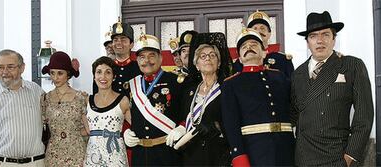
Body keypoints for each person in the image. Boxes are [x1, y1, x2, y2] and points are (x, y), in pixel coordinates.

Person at [291, 11, 374, 166]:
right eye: (313, 36)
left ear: (334, 39)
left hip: (336, 157)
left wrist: (350, 156)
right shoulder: (298, 74)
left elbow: (365, 115)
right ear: (307, 42)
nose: (319, 41)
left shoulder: (352, 65)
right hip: (303, 158)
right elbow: (293, 115)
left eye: (325, 35)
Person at [221, 29, 295, 166]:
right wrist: (239, 156)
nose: (248, 48)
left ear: (264, 51)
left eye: (254, 44)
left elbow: (293, 107)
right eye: (244, 47)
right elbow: (231, 124)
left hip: (286, 148)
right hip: (254, 151)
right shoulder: (231, 84)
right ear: (240, 57)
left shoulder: (279, 76)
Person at [0, 49, 45, 167]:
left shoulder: (36, 91)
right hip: (3, 163)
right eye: (0, 67)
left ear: (22, 68)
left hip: (36, 163)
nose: (5, 72)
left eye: (10, 67)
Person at [123, 33, 185, 166]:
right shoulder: (131, 85)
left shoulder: (176, 81)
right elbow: (125, 114)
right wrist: (125, 130)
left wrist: (182, 127)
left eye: (151, 55)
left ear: (161, 58)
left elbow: (188, 112)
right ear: (138, 60)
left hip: (167, 154)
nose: (147, 61)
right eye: (142, 57)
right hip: (140, 155)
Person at [180, 32, 231, 166]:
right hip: (192, 154)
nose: (207, 58)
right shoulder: (189, 91)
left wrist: (215, 126)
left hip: (218, 153)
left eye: (212, 55)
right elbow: (182, 117)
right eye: (203, 56)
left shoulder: (227, 88)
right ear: (197, 65)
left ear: (219, 63)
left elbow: (234, 120)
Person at [40, 51, 87, 166]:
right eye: (52, 73)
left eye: (60, 73)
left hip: (77, 153)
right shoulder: (45, 98)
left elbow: (89, 128)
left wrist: (74, 134)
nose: (55, 77)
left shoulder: (81, 97)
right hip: (53, 155)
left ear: (68, 74)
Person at [84, 56, 131, 166]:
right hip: (93, 157)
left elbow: (137, 126)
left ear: (114, 77)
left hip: (116, 155)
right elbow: (84, 128)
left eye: (108, 72)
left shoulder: (123, 101)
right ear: (94, 76)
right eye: (99, 72)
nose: (103, 76)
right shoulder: (87, 100)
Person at [233, 11, 294, 79]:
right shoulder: (240, 62)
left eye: (262, 28)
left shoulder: (282, 59)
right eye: (255, 29)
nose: (259, 31)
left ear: (269, 33)